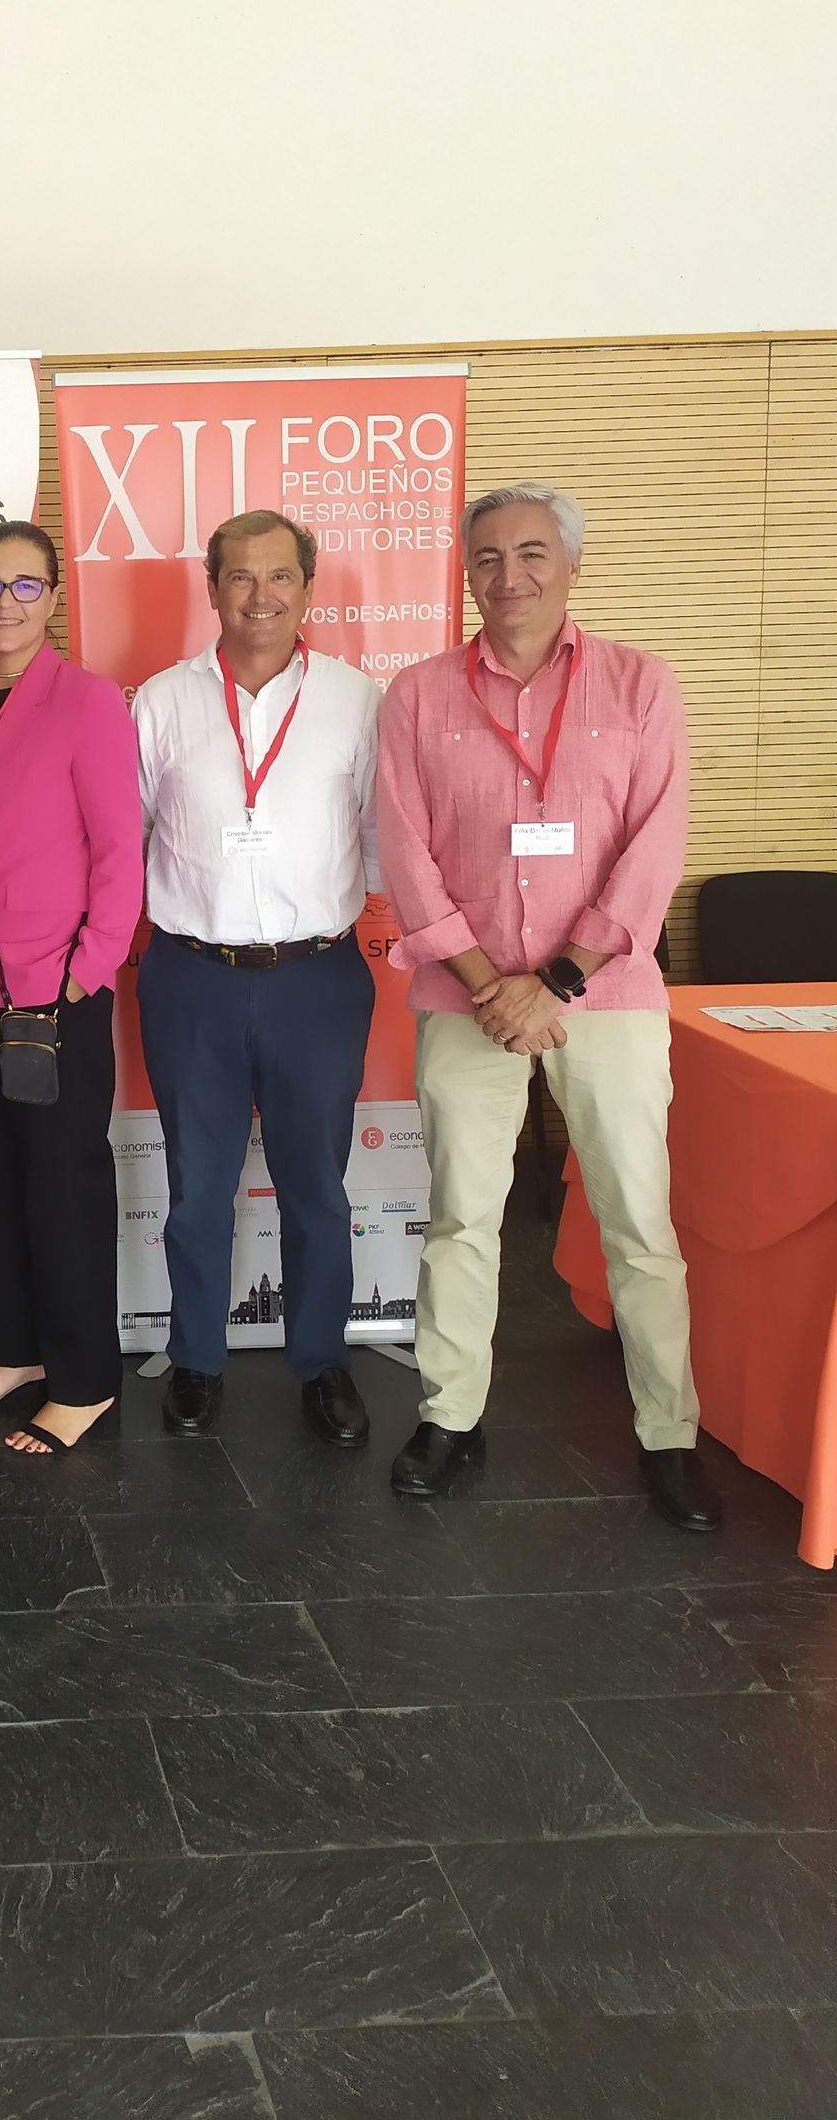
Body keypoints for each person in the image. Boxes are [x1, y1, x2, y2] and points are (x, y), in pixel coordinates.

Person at [376, 481, 719, 1530]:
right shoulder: (419, 694)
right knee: (461, 1218)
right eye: (486, 557)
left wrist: (556, 980)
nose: (508, 575)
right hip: (465, 994)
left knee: (639, 1221)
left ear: (572, 563)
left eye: (531, 553)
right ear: (465, 570)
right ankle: (451, 1413)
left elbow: (654, 849)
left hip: (604, 992)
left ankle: (669, 1433)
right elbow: (404, 851)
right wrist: (491, 985)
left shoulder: (639, 684)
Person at [133, 509, 382, 1447]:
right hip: (190, 976)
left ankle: (322, 1362)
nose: (261, 596)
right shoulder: (160, 702)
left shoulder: (360, 701)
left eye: (281, 577)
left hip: (316, 980)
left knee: (316, 1184)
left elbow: (379, 837)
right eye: (241, 577)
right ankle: (197, 1360)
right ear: (213, 589)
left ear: (308, 588)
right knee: (199, 1189)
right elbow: (134, 837)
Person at [0, 523, 142, 1453]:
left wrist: (85, 973)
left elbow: (121, 854)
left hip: (53, 986)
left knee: (62, 1180)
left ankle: (85, 1376)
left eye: (26, 584)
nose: (6, 601)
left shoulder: (87, 702)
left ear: (52, 596)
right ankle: (13, 1348)